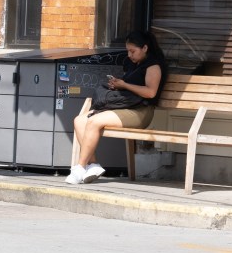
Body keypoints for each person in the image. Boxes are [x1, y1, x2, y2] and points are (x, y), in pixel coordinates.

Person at [68, 30, 167, 185]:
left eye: (133, 51)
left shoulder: (153, 66)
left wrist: (125, 84)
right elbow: (128, 88)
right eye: (128, 51)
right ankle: (93, 165)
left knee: (94, 121)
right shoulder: (132, 64)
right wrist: (117, 85)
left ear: (145, 48)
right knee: (79, 120)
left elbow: (150, 92)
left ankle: (80, 167)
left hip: (141, 111)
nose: (129, 55)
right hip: (125, 105)